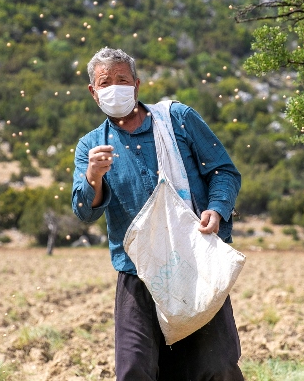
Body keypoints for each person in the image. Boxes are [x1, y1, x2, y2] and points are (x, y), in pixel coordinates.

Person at [72, 47, 243, 381]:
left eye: (122, 80)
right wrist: (93, 177)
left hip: (194, 263)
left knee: (216, 368)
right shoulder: (91, 146)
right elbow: (84, 212)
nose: (114, 88)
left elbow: (223, 171)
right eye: (105, 83)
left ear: (137, 85)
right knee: (134, 369)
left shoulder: (177, 120)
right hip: (138, 272)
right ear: (93, 92)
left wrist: (216, 209)